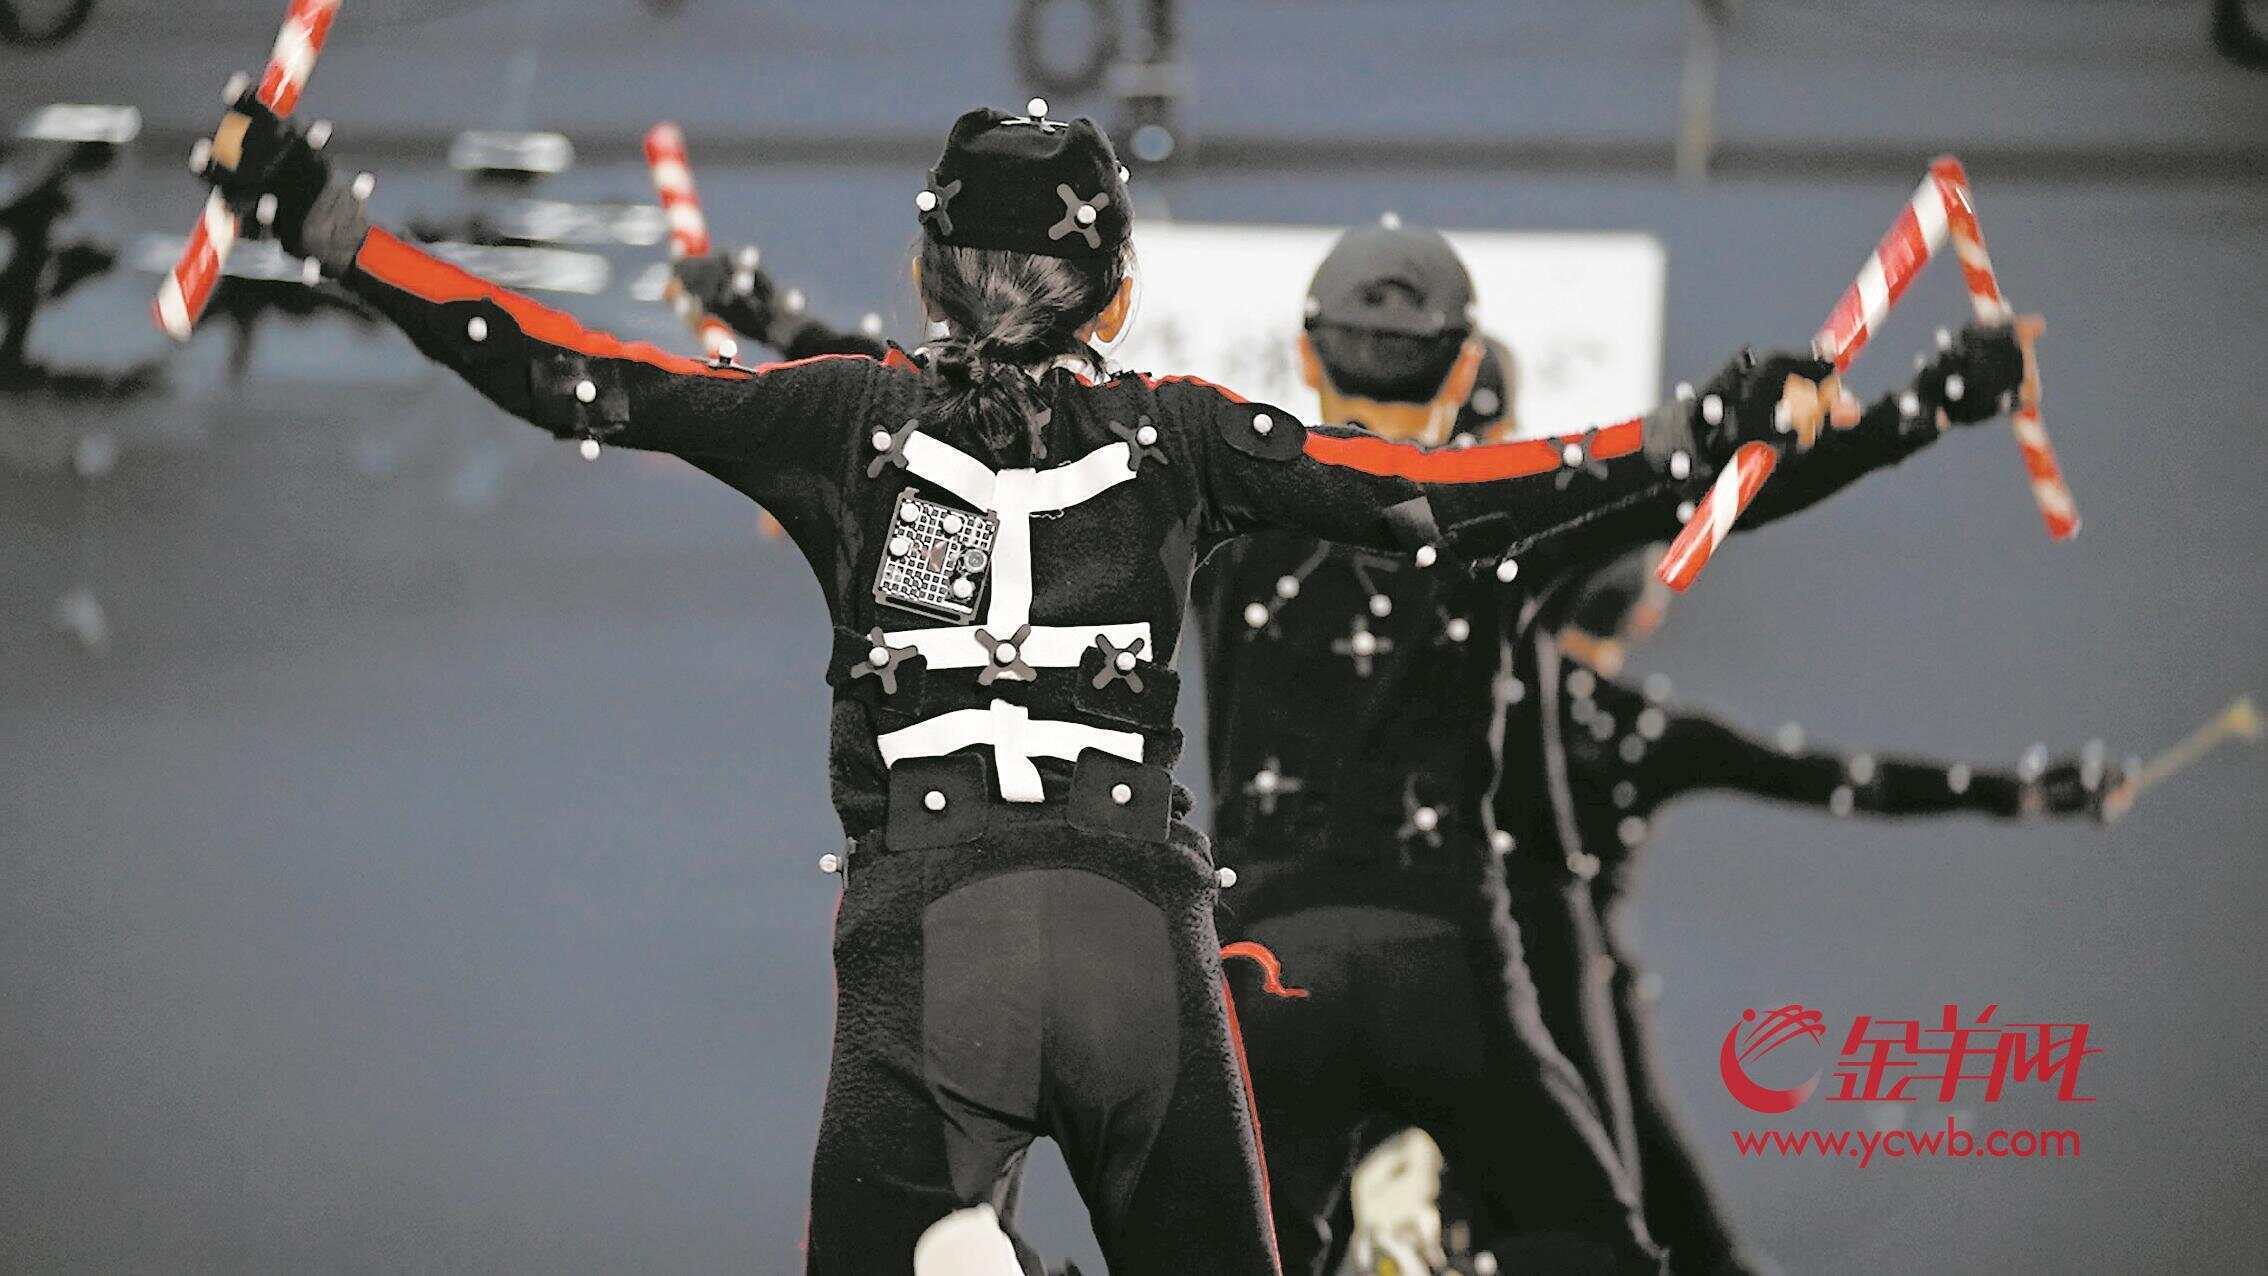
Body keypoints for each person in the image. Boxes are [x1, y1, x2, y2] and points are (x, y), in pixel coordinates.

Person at [187, 88, 1840, 1273]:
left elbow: (573, 375)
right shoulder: (1187, 434)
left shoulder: (834, 417)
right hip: (1138, 943)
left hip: (930, 943)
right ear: (1115, 289)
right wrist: (1690, 429)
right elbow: (1448, 491)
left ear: (926, 277)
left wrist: (328, 225)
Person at [1500, 545, 2123, 1274]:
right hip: (1583, 988)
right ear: (1644, 616)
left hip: (1476, 966)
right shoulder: (1651, 733)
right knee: (1667, 1207)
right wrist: (2015, 793)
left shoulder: (1486, 701)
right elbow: (1838, 779)